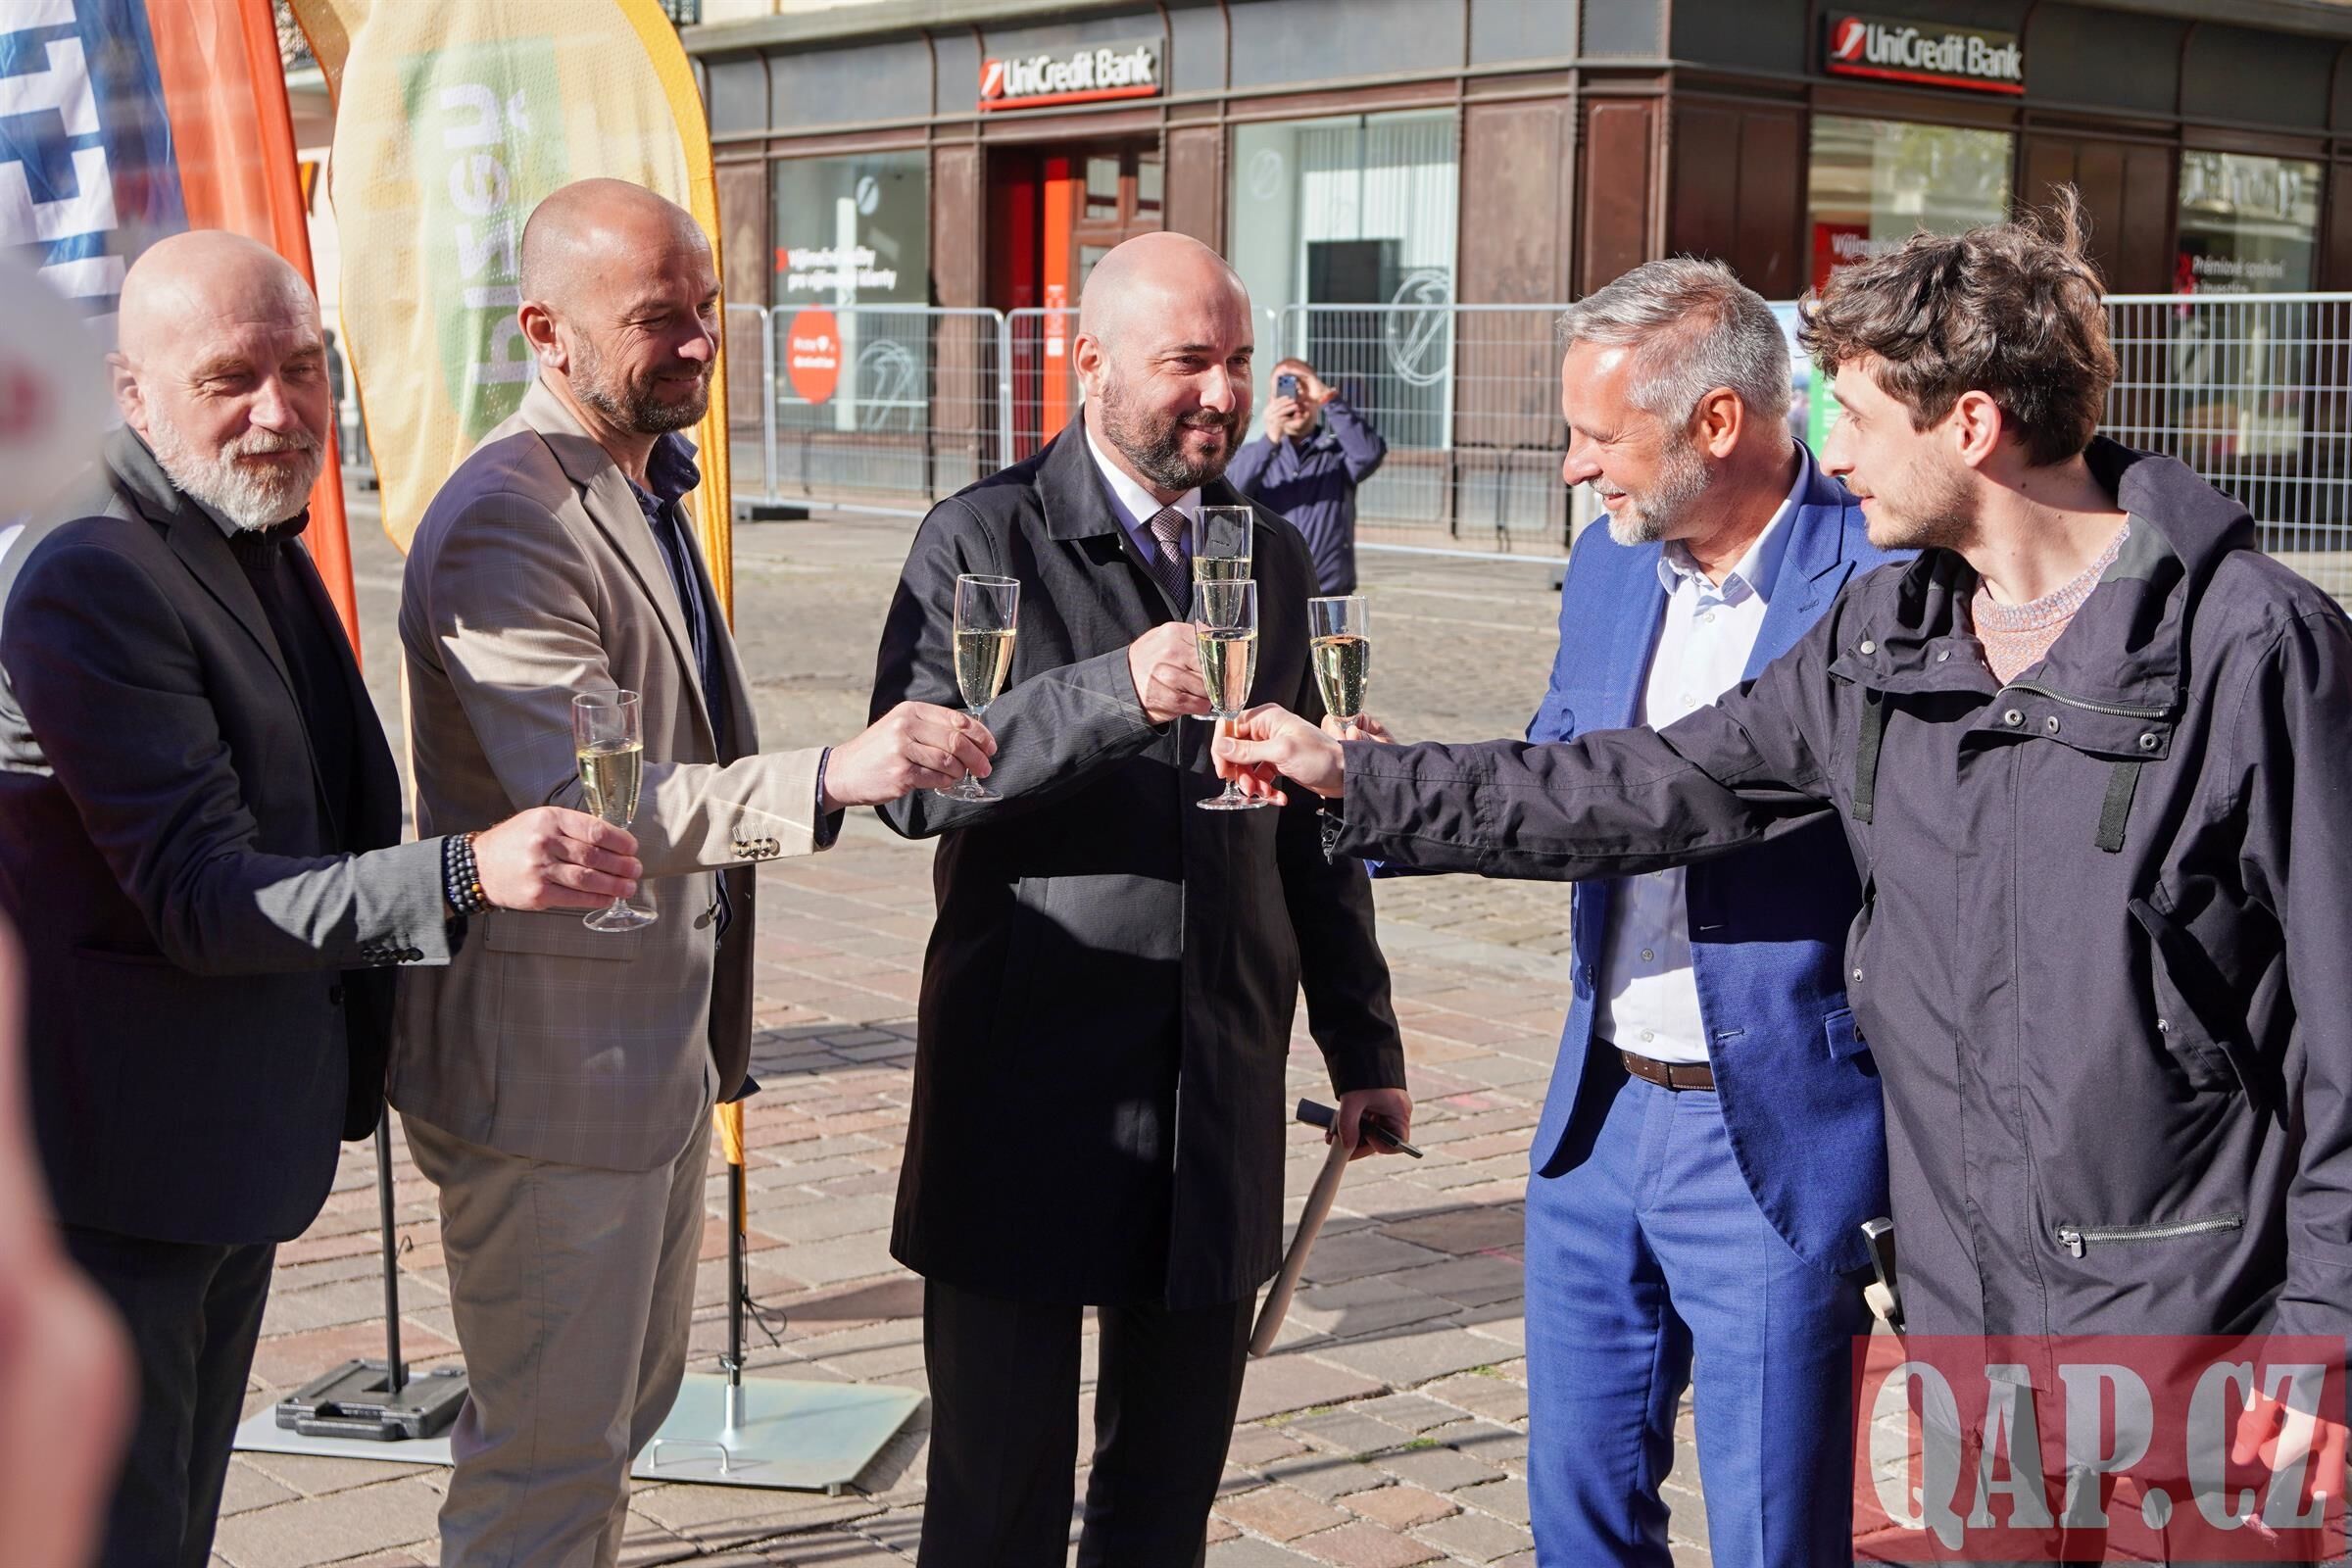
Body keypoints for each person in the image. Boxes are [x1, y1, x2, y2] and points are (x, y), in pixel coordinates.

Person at [1219, 194, 2352, 1519]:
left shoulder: (2255, 649)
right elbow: (1645, 781)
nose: (1832, 451)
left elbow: (2337, 1029)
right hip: (1968, 1313)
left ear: (1969, 426)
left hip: (2194, 1315)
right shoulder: (1891, 636)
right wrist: (1358, 776)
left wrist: (2326, 1330)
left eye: (1854, 416)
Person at [0, 229, 641, 1568]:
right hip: (109, 1174)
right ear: (130, 391)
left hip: (215, 1142)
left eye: (303, 368)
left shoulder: (239, 522)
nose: (280, 409)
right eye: (230, 378)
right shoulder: (92, 566)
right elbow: (201, 894)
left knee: (171, 1519)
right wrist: (467, 870)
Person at [393, 178, 994, 1567]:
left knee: (610, 1431)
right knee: (545, 1466)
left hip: (647, 1056)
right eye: (660, 316)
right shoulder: (509, 517)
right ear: (545, 331)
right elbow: (586, 803)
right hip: (552, 1077)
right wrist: (832, 775)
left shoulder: (639, 482)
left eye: (709, 307)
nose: (703, 341)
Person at [867, 230, 1412, 1568]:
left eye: (1238, 361)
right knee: (995, 1508)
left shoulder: (1269, 552)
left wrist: (1363, 1042)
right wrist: (1113, 692)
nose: (1222, 395)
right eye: (1188, 362)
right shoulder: (982, 537)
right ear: (1091, 362)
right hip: (1027, 1081)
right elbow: (913, 791)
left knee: (1165, 1501)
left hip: (1216, 1080)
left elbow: (1308, 832)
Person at [1494, 259, 1897, 1565]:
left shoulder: (1877, 575)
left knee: (1775, 1532)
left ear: (1716, 423)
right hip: (1599, 1115)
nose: (1575, 467)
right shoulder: (1610, 567)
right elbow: (1559, 773)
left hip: (1771, 1133)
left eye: (1601, 437)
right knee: (1577, 1519)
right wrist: (1380, 794)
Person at [1225, 356, 1386, 594]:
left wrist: (1329, 398)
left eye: (1304, 390)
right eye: (1286, 391)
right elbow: (1229, 493)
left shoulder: (1337, 456)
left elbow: (1369, 454)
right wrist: (1270, 439)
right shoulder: (1255, 456)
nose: (1296, 401)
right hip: (1274, 592)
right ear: (1271, 402)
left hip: (1329, 591)